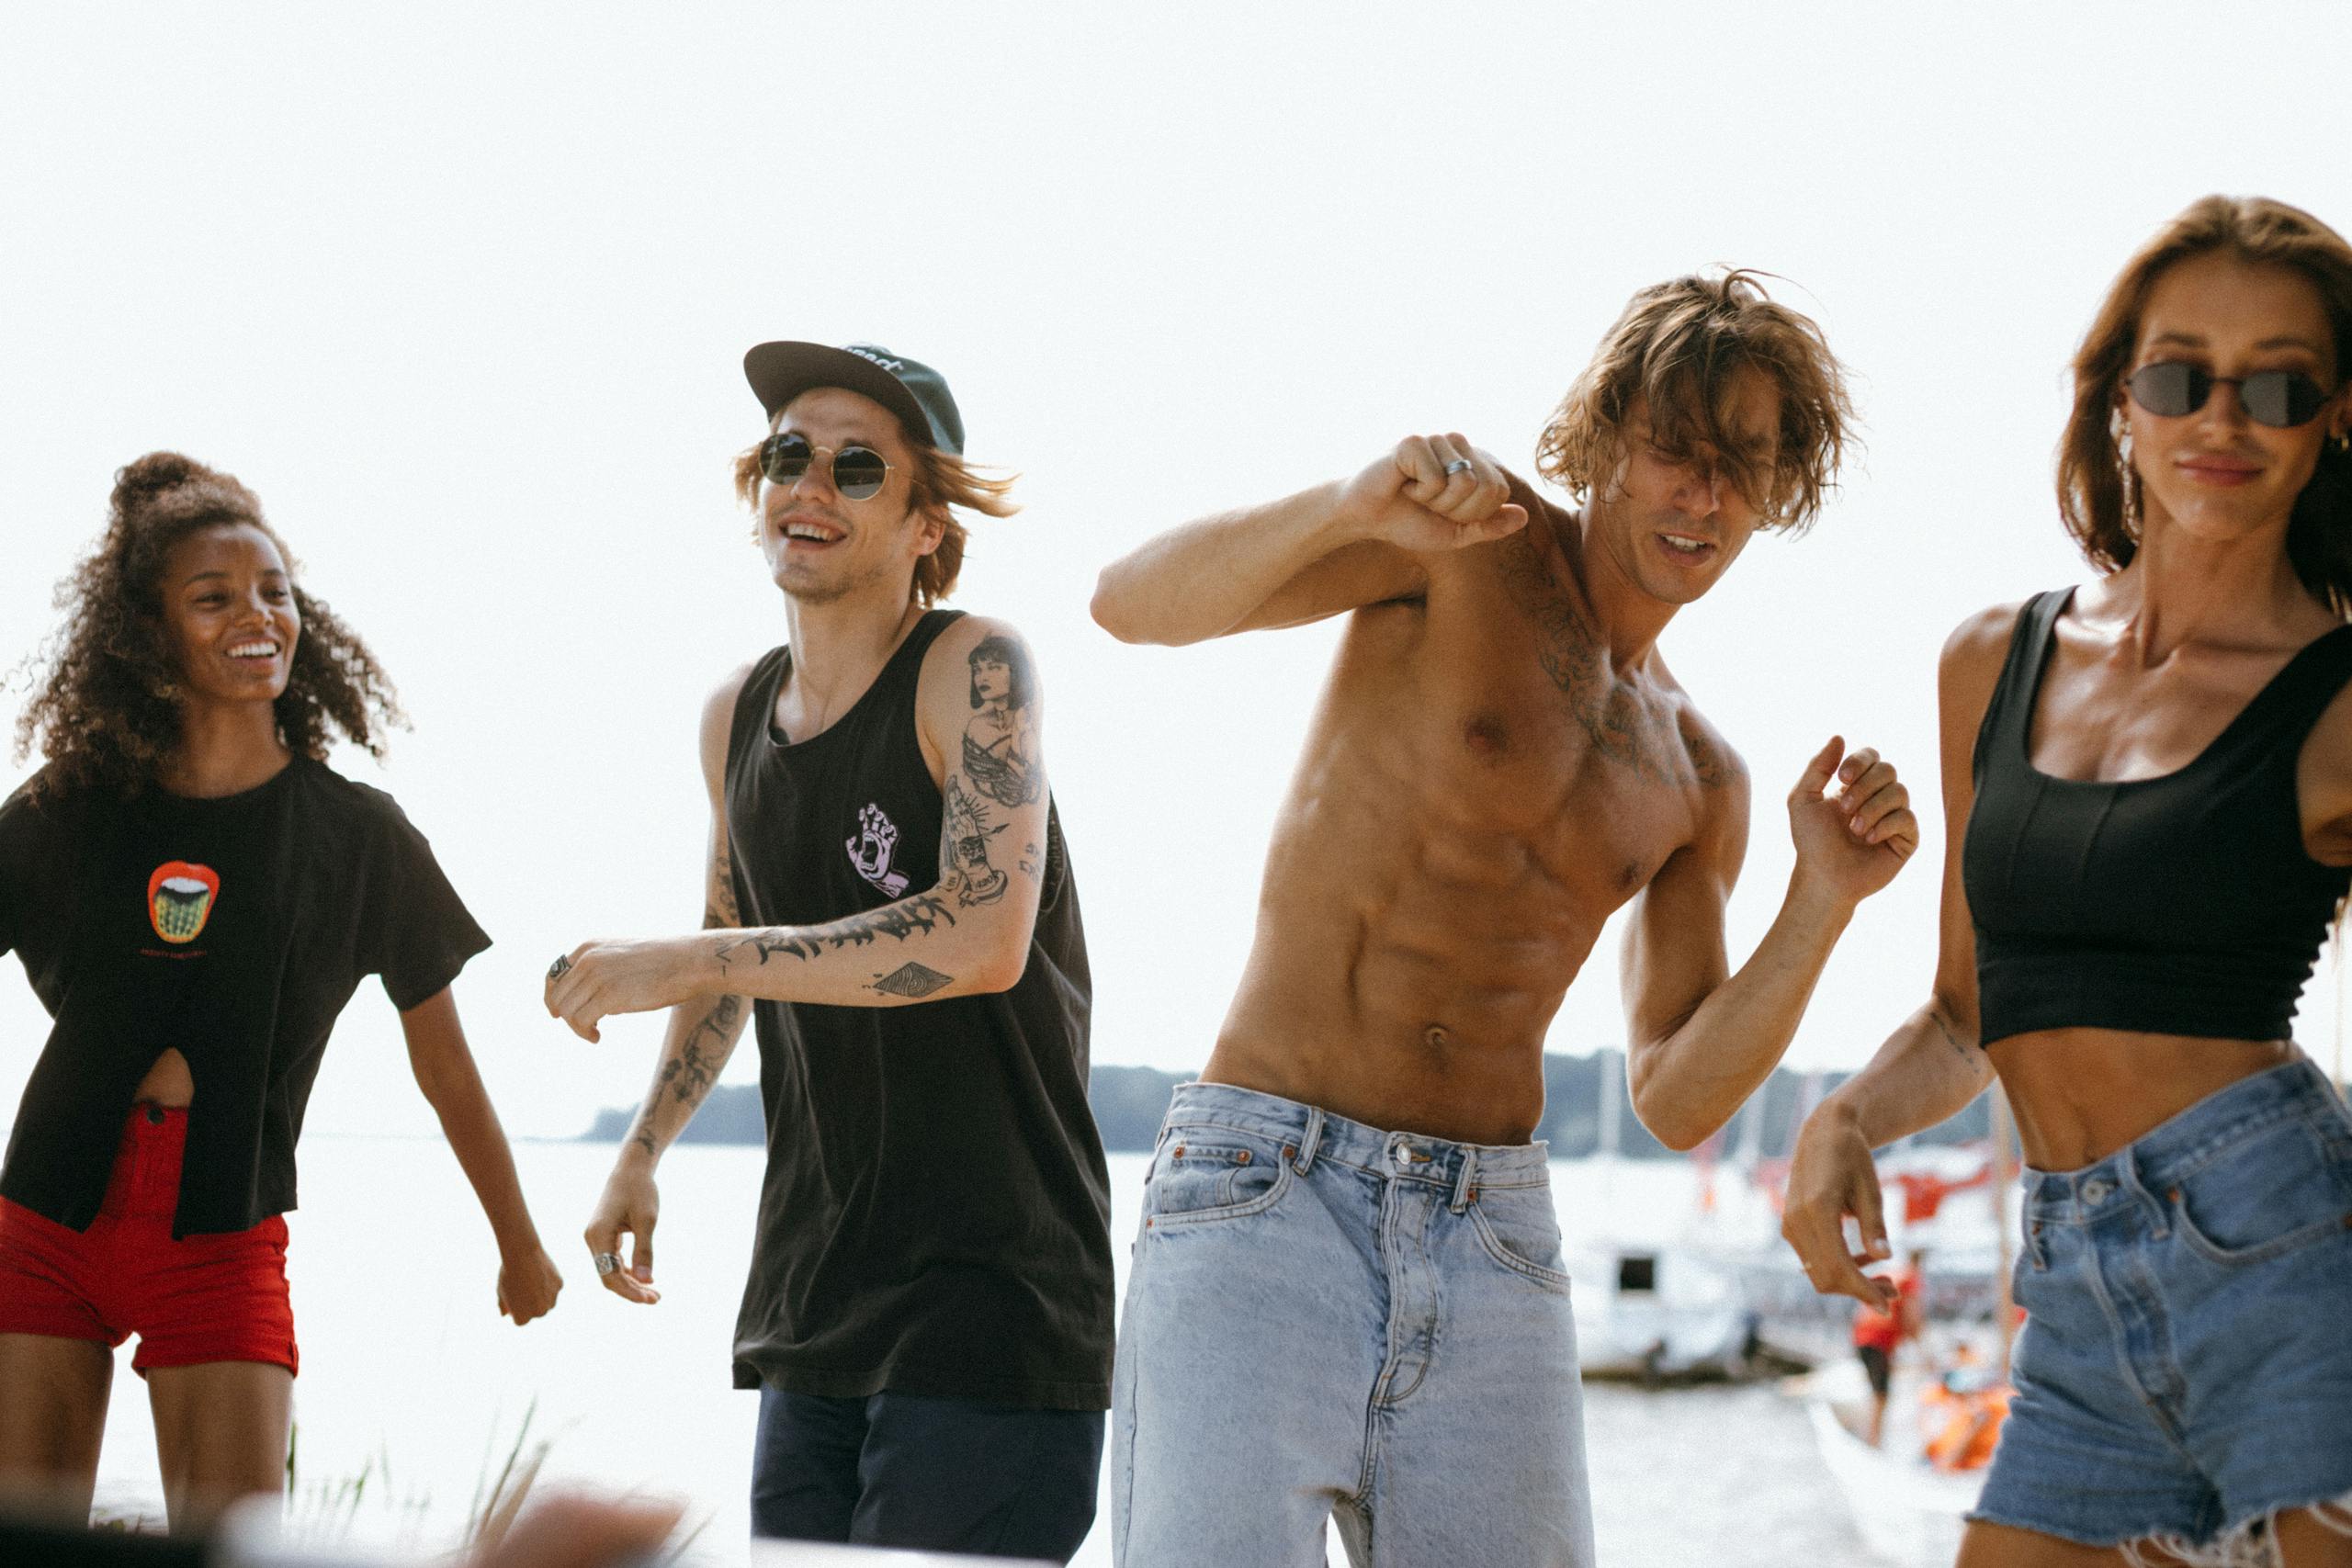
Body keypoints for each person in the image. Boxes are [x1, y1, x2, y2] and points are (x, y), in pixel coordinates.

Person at [1090, 271, 1919, 1567]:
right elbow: (1128, 602)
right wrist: (1348, 502)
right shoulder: (1464, 537)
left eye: (1740, 468)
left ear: (1777, 493)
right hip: (1268, 1192)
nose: (1701, 497)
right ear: (1601, 440)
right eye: (1673, 452)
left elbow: (1677, 1095)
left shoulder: (1701, 772)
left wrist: (1824, 898)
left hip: (1492, 1237)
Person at [1781, 195, 2352, 1566]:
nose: (2222, 418)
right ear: (2119, 403)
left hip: (2284, 1256)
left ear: (2336, 418)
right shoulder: (1993, 658)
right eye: (2179, 375)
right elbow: (1967, 1010)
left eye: (2278, 385)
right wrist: (1847, 1116)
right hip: (2076, 1287)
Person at [551, 343, 1111, 1562]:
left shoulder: (974, 667)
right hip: (814, 1297)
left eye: (859, 467)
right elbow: (724, 956)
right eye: (789, 455)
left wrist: (694, 957)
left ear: (926, 523)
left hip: (989, 1301)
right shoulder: (735, 712)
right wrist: (642, 1151)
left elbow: (979, 934)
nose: (811, 485)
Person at [0, 454, 561, 1532]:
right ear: (148, 636)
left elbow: (442, 1065)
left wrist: (519, 1243)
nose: (256, 615)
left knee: (240, 1553)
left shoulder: (359, 839)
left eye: (274, 592)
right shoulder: (71, 809)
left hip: (220, 1234)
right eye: (213, 598)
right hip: (46, 1223)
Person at [1850, 1247, 1925, 1446]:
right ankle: (1873, 1441)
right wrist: (1922, 1349)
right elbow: (1912, 1317)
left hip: (1862, 1335)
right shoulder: (1910, 1279)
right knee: (1881, 1393)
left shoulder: (1893, 1274)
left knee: (1877, 1389)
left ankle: (1871, 1437)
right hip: (1878, 1339)